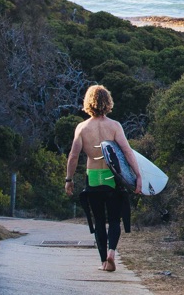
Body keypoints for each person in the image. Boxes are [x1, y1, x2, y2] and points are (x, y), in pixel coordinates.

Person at [65, 84, 142, 272]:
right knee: (114, 220)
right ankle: (111, 254)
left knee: (99, 221)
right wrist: (138, 176)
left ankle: (103, 263)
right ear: (108, 102)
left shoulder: (82, 128)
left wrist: (69, 179)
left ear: (88, 103)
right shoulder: (114, 126)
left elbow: (73, 156)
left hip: (93, 178)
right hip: (111, 178)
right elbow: (127, 152)